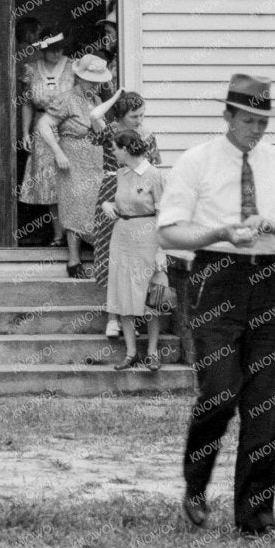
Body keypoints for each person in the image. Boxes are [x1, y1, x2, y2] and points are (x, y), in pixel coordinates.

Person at [158, 75, 275, 537]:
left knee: (266, 403)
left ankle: (257, 517)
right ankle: (195, 484)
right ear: (227, 115)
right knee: (220, 393)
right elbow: (169, 232)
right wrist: (220, 231)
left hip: (269, 278)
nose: (256, 129)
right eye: (248, 119)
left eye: (263, 120)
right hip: (216, 276)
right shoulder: (197, 161)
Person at [91, 91, 157, 334]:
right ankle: (112, 318)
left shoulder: (148, 137)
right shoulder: (111, 132)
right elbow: (94, 114)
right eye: (133, 116)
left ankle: (133, 315)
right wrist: (117, 93)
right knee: (112, 255)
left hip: (139, 198)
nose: (139, 121)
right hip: (111, 190)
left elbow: (153, 170)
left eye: (142, 115)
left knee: (136, 259)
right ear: (121, 115)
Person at [37, 55, 109, 277]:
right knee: (74, 205)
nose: (95, 85)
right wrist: (58, 152)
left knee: (95, 205)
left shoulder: (96, 101)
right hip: (72, 161)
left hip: (95, 159)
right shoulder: (66, 98)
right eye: (90, 81)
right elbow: (44, 125)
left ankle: (101, 258)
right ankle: (73, 260)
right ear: (79, 77)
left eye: (97, 81)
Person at [102, 126, 164, 369]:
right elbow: (114, 202)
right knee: (123, 291)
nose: (114, 153)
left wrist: (161, 249)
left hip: (148, 237)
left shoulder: (155, 175)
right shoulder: (121, 174)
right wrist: (108, 206)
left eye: (116, 149)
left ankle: (152, 352)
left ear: (126, 149)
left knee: (149, 295)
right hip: (122, 237)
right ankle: (130, 352)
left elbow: (164, 213)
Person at [14, 17, 70, 241]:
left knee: (70, 183)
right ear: (43, 49)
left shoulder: (73, 67)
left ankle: (75, 235)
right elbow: (27, 103)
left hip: (68, 130)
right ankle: (59, 235)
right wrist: (25, 132)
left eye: (60, 49)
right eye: (51, 50)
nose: (57, 54)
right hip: (42, 132)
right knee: (49, 186)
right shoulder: (31, 69)